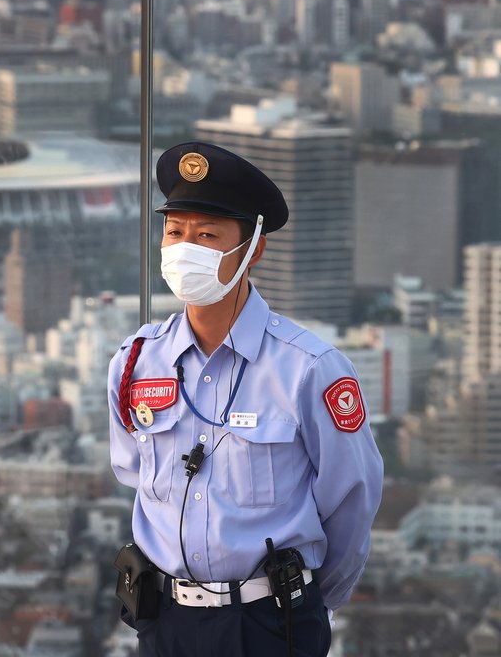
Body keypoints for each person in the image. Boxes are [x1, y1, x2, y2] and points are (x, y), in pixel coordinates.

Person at [107, 141, 384, 657]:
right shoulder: (135, 361)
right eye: (174, 232)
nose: (185, 248)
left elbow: (353, 500)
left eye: (208, 235)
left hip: (271, 625)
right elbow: (134, 476)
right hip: (163, 621)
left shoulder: (309, 368)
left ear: (252, 248)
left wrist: (309, 603)